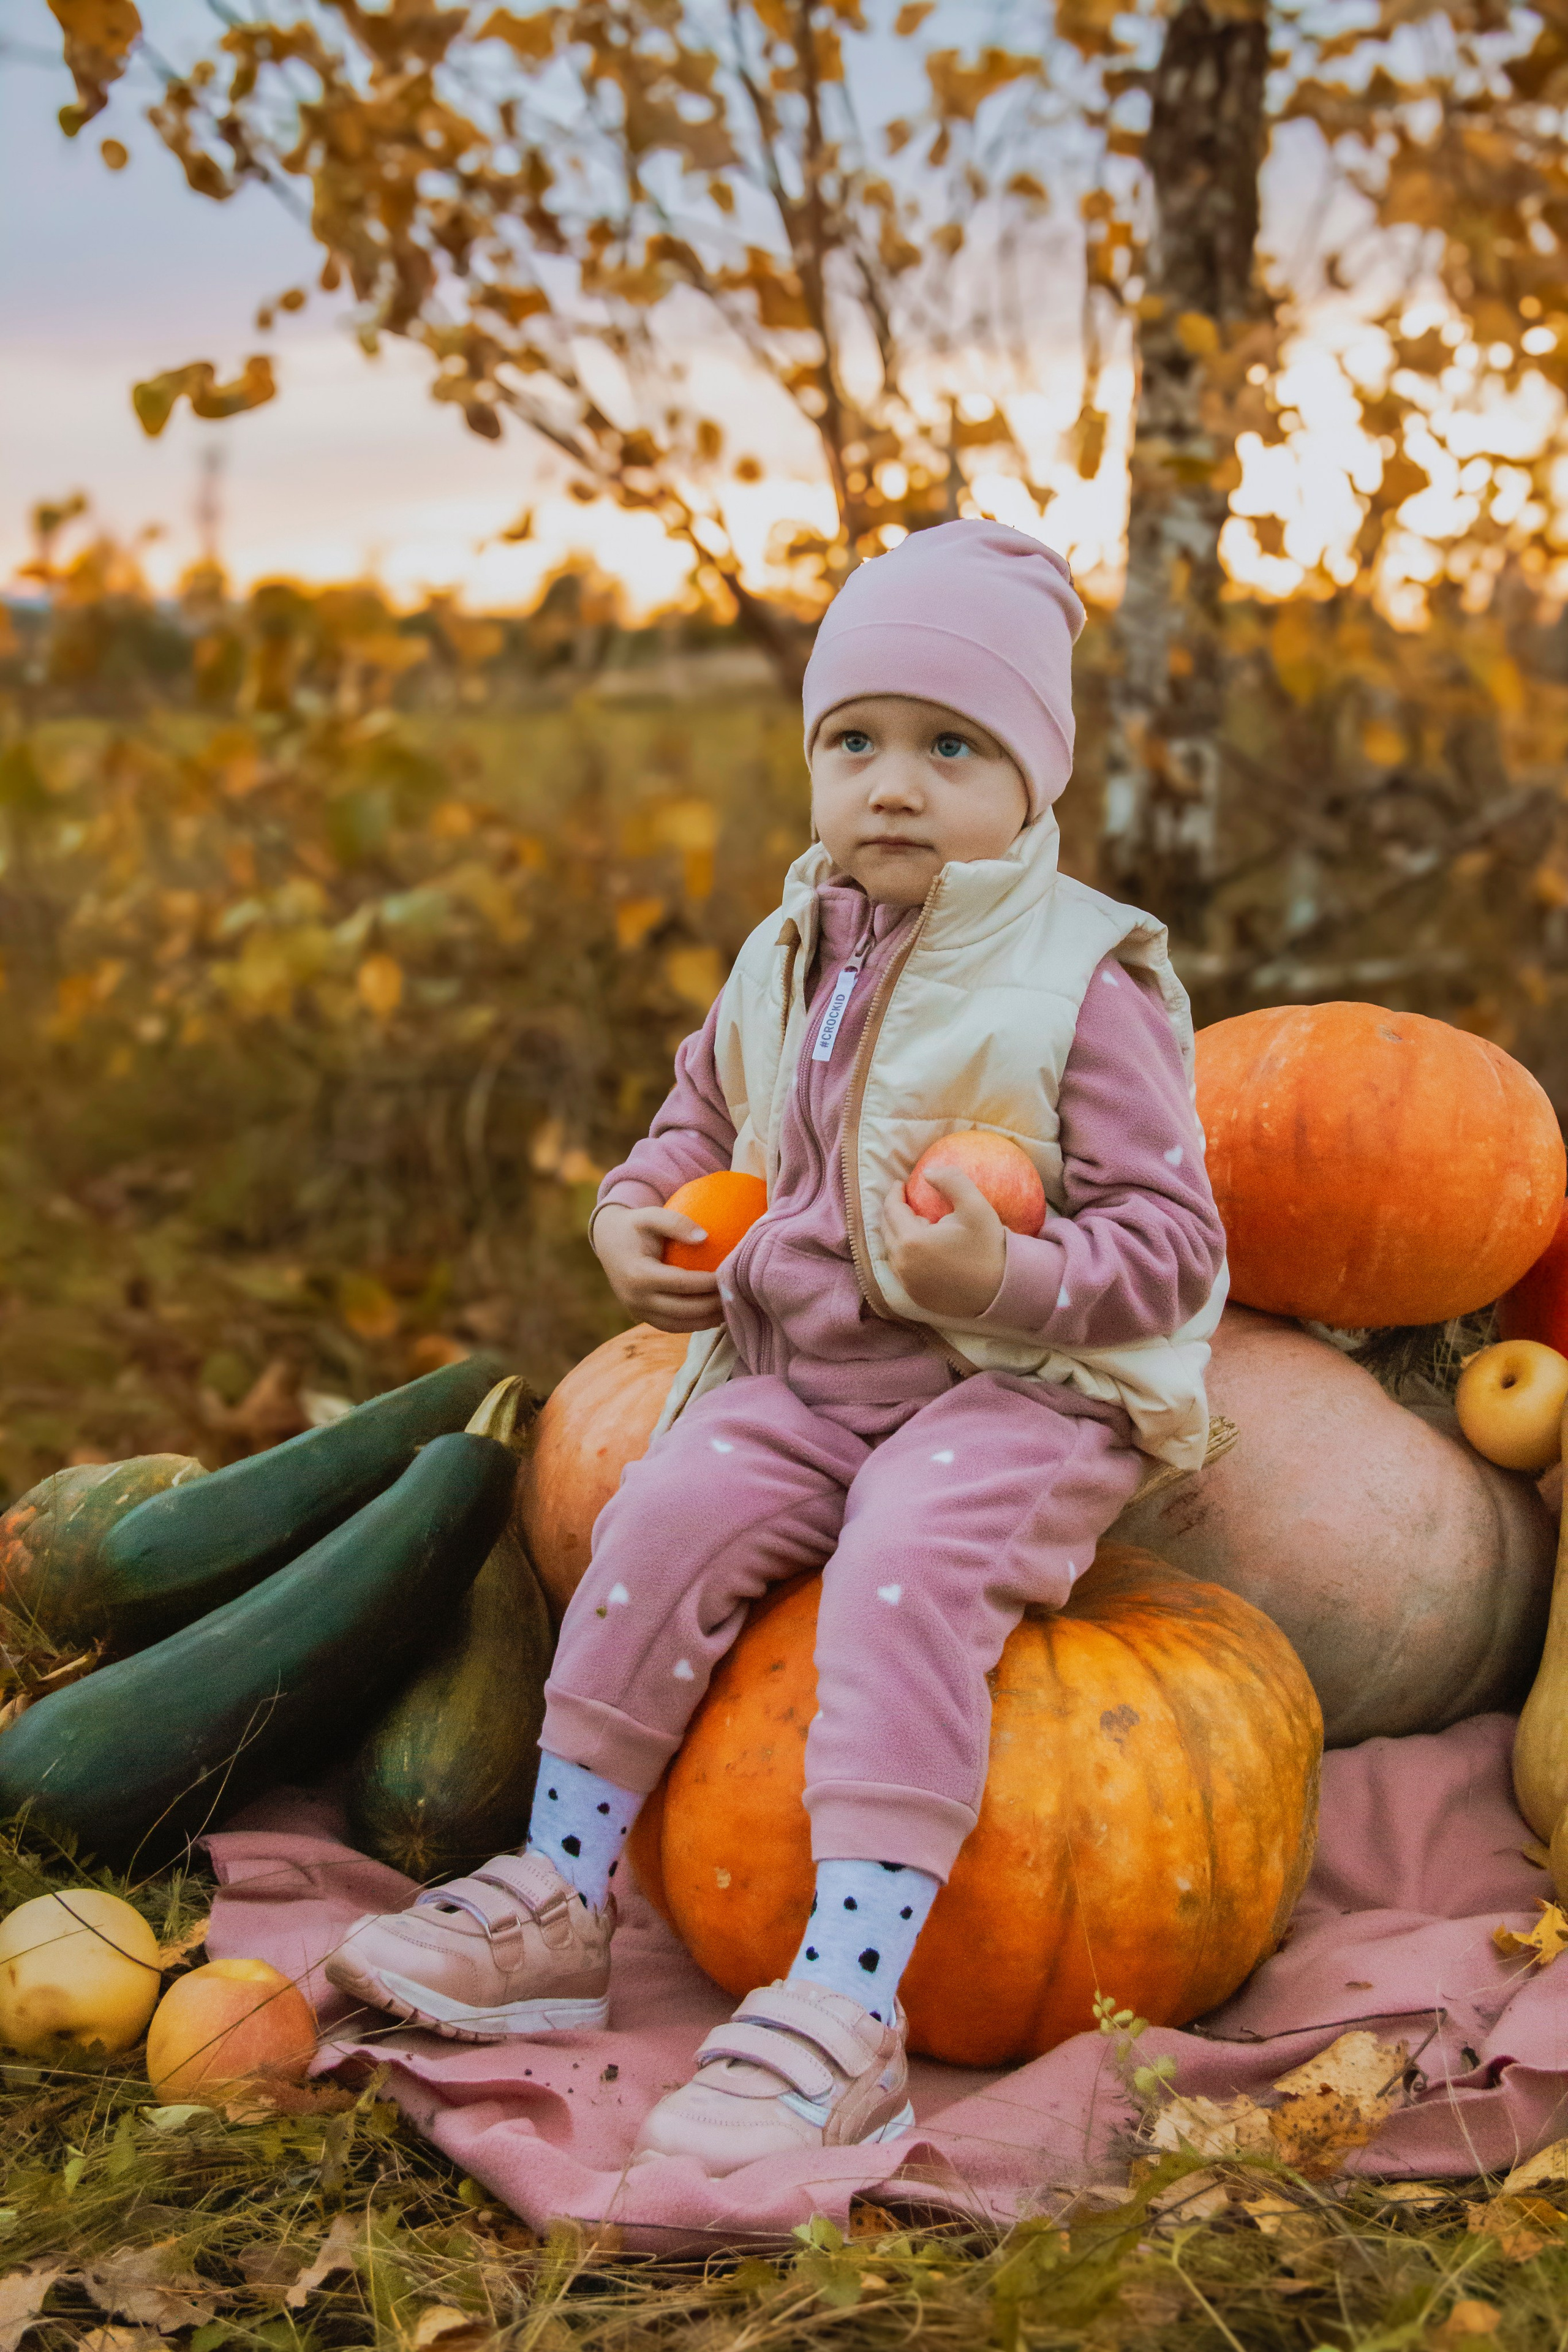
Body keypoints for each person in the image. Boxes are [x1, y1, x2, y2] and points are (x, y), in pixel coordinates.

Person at [328, 519, 1229, 2176]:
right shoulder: (788, 946)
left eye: (952, 745)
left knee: (906, 1561)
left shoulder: (1080, 981)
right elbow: (694, 1124)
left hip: (1021, 1392)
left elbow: (1173, 1253)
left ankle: (847, 1998)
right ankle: (564, 1894)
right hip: (814, 1378)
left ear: (1033, 781)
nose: (895, 782)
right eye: (856, 741)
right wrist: (636, 1219)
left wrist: (1010, 1273)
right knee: (660, 1510)